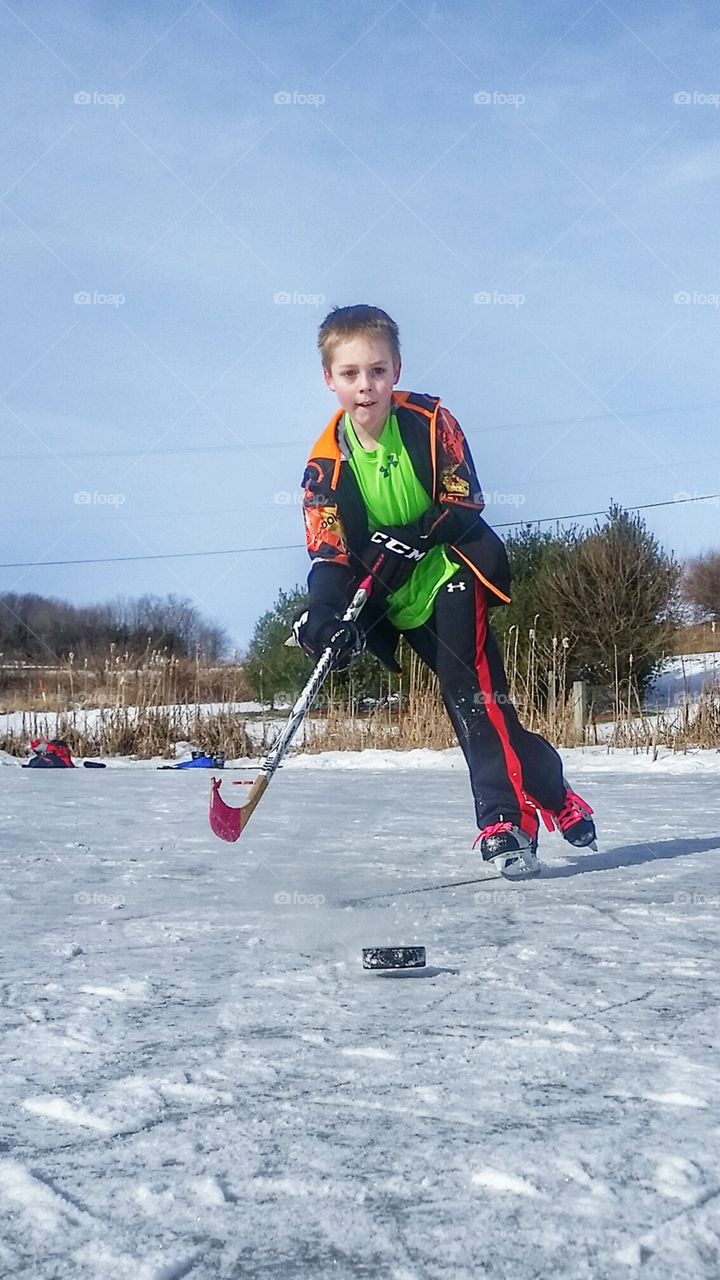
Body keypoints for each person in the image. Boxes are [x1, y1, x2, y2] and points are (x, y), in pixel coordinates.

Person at [293, 305, 596, 879]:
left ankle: (504, 821)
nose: (366, 386)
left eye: (377, 371)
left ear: (397, 369)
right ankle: (555, 792)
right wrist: (324, 613)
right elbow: (328, 552)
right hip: (397, 601)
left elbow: (463, 499)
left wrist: (413, 538)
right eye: (351, 374)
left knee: (469, 695)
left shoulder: (432, 421)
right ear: (329, 379)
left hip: (452, 570)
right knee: (488, 710)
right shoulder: (323, 466)